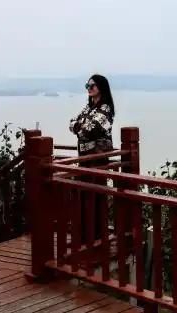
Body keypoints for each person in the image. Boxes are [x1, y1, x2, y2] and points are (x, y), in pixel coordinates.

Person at [69, 74, 115, 243]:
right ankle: (85, 234)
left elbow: (91, 130)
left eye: (92, 85)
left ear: (101, 87)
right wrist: (80, 126)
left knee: (96, 195)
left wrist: (79, 127)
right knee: (84, 194)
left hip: (98, 159)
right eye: (87, 86)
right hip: (85, 158)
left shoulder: (106, 109)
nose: (89, 88)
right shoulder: (88, 108)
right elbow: (71, 123)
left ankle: (96, 234)